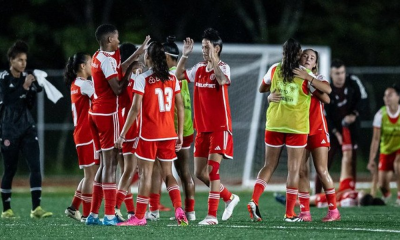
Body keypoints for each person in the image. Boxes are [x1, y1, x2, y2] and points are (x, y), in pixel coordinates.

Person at [115, 41, 188, 226]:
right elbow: (180, 107)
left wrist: (122, 135)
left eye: (145, 54)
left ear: (148, 57)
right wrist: (179, 133)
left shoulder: (143, 79)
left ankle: (139, 217)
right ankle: (179, 209)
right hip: (169, 133)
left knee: (146, 174)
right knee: (168, 173)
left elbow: (134, 110)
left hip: (149, 134)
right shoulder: (172, 79)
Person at [86, 24, 149, 226]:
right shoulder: (107, 61)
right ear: (109, 40)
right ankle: (110, 215)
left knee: (104, 164)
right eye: (117, 38)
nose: (119, 41)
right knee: (111, 165)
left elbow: (116, 70)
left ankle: (93, 215)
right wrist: (133, 67)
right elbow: (119, 89)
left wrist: (135, 55)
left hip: (95, 112)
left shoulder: (98, 56)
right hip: (107, 114)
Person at [175, 28, 240, 225]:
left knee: (212, 171)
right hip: (202, 129)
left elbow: (221, 80)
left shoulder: (224, 68)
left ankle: (211, 216)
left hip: (220, 127)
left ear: (217, 48)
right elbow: (177, 75)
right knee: (199, 173)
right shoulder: (198, 69)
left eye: (207, 47)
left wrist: (214, 61)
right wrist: (184, 55)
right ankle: (229, 197)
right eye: (202, 47)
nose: (203, 50)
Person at [247, 38, 310, 223]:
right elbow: (321, 91)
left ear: (283, 53)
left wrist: (270, 95)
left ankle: (254, 199)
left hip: (274, 123)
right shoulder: (304, 73)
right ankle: (289, 213)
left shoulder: (274, 69)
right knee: (293, 169)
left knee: (268, 165)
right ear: (299, 54)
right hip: (296, 126)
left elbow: (262, 88)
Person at [0, 40, 52, 219]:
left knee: (35, 167)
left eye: (25, 60)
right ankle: (7, 209)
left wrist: (33, 88)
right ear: (11, 61)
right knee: (10, 169)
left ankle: (36, 208)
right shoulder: (4, 77)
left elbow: (28, 104)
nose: (23, 64)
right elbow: (8, 101)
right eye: (20, 60)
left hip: (27, 128)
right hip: (9, 129)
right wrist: (24, 87)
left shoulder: (26, 77)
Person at [291, 49, 339, 222]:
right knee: (302, 171)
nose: (308, 58)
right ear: (300, 58)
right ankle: (305, 212)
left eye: (312, 58)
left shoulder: (317, 78)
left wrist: (309, 79)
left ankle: (334, 211)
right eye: (305, 55)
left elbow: (327, 94)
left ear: (315, 64)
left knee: (321, 170)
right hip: (299, 129)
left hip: (317, 129)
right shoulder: (292, 79)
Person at [321, 59, 368, 194]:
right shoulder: (326, 89)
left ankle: (350, 190)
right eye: (337, 73)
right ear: (331, 74)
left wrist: (354, 115)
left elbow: (363, 99)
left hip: (351, 130)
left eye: (342, 72)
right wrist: (336, 133)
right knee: (324, 162)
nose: (340, 76)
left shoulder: (353, 81)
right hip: (333, 131)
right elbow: (325, 115)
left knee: (351, 159)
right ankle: (320, 191)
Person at [63, 53, 100, 222]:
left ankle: (73, 207)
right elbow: (101, 99)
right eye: (91, 63)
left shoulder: (75, 83)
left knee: (89, 175)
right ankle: (86, 215)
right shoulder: (85, 85)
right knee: (91, 176)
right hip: (87, 134)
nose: (93, 65)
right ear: (83, 67)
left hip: (81, 133)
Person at [114, 42, 140, 221]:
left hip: (117, 120)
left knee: (124, 170)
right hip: (131, 124)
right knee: (131, 169)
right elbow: (135, 106)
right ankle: (114, 207)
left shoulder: (118, 72)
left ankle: (131, 211)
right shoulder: (136, 74)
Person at [368, 85, 400, 205]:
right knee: (382, 185)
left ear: (398, 97)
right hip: (386, 150)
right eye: (385, 95)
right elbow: (376, 139)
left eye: (390, 95)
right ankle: (387, 195)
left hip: (399, 149)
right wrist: (371, 159)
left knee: (398, 164)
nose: (387, 98)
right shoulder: (380, 115)